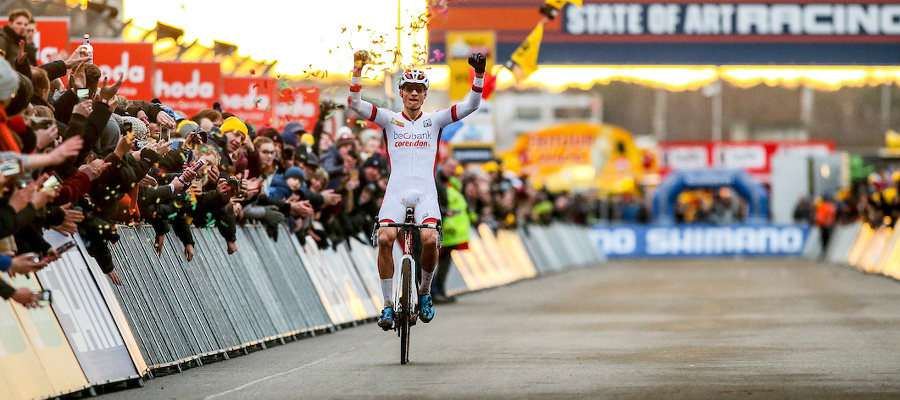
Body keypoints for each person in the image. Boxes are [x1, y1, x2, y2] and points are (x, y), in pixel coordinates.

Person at [349, 49, 486, 330]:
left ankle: (424, 293)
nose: (413, 94)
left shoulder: (434, 120)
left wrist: (479, 75)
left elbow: (471, 105)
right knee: (386, 239)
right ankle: (387, 305)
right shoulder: (389, 119)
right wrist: (357, 69)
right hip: (396, 190)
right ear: (401, 93)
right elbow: (354, 103)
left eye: (419, 90)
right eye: (409, 89)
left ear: (425, 94)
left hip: (425, 192)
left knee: (431, 240)